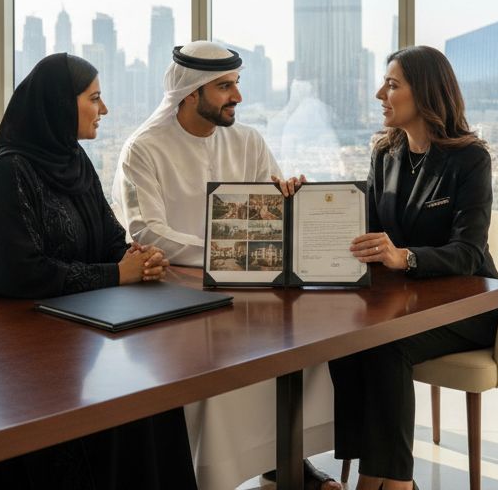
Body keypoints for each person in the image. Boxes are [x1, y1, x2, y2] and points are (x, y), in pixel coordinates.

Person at [0, 52, 196, 490]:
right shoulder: (10, 171)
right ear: (60, 104)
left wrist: (138, 256)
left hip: (78, 331)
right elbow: (21, 274)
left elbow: (106, 238)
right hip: (17, 349)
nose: (104, 110)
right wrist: (118, 274)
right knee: (117, 410)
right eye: (94, 98)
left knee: (153, 394)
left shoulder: (75, 161)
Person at [113, 40, 339, 490]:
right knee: (219, 355)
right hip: (174, 290)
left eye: (236, 84)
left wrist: (289, 199)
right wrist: (224, 255)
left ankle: (284, 458)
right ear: (190, 93)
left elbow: (271, 215)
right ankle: (217, 472)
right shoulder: (143, 149)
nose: (237, 96)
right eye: (224, 87)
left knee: (308, 337)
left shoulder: (248, 140)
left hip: (250, 282)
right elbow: (145, 231)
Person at [329, 45, 498, 490]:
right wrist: (310, 206)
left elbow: (469, 251)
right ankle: (384, 475)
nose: (378, 93)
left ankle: (386, 482)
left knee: (387, 346)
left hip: (470, 305)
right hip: (411, 303)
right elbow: (364, 229)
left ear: (424, 92)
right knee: (344, 342)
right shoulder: (386, 154)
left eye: (392, 84)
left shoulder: (470, 159)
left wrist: (405, 257)